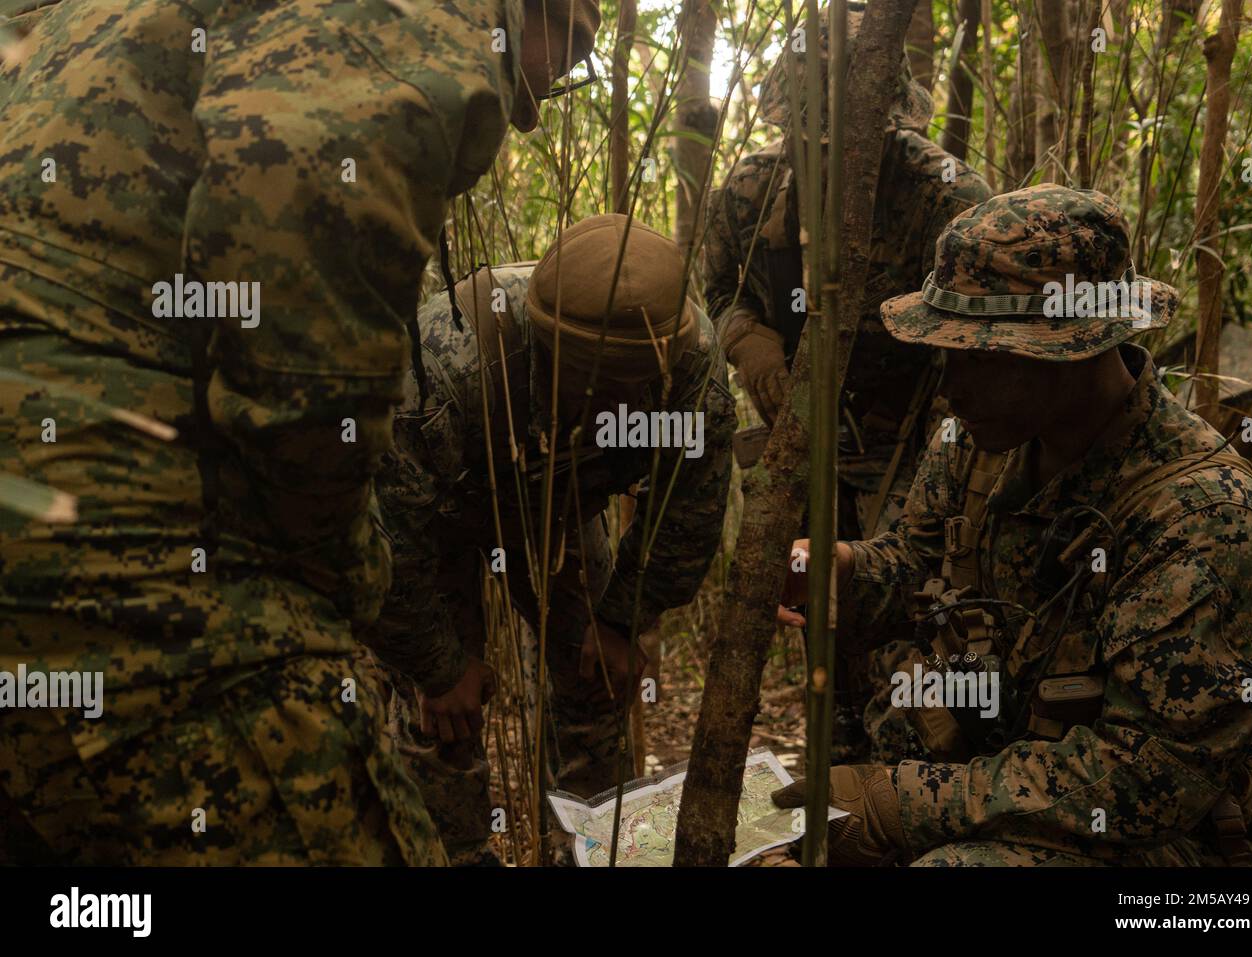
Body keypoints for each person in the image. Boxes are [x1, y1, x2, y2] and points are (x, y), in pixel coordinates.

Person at [0, 0, 599, 865]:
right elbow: (304, 364)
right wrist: (351, 571)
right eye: (566, 47)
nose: (539, 102)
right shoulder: (423, 18)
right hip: (98, 517)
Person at [778, 184, 1252, 866]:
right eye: (948, 353)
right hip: (992, 779)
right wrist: (845, 569)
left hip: (1156, 843)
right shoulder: (973, 444)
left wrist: (896, 802)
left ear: (1075, 348)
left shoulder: (1208, 520)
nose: (949, 386)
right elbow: (916, 567)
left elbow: (1145, 780)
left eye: (981, 358)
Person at [363, 214, 736, 864]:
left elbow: (686, 512)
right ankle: (454, 853)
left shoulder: (692, 370)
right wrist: (435, 663)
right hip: (442, 519)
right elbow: (385, 536)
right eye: (597, 385)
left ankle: (590, 850)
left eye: (634, 392)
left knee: (598, 681)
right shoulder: (442, 364)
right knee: (442, 716)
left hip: (562, 508)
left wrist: (623, 619)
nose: (617, 405)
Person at [700, 3, 991, 760]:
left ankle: (909, 784)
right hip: (806, 451)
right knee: (819, 623)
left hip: (918, 449)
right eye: (810, 138)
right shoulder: (750, 191)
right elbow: (717, 292)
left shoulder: (948, 197)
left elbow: (991, 337)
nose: (825, 154)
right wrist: (749, 340)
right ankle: (837, 767)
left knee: (911, 630)